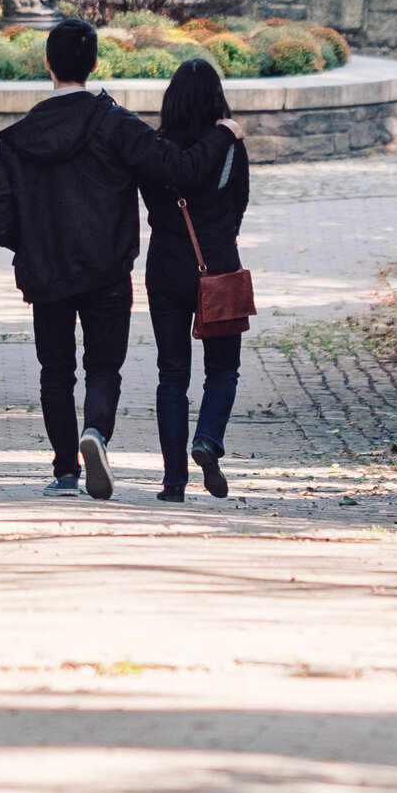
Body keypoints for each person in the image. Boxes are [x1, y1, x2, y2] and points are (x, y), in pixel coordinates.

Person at [0, 20, 243, 501]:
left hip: (47, 272)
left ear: (47, 64)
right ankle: (96, 433)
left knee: (55, 372)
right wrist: (224, 134)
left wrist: (35, 242)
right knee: (104, 367)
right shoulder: (115, 123)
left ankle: (65, 472)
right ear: (95, 64)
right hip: (106, 270)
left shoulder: (18, 138)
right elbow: (178, 169)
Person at [137, 59, 249, 501]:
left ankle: (173, 483)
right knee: (222, 368)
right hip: (218, 264)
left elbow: (149, 200)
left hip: (165, 264)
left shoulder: (155, 148)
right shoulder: (229, 145)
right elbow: (240, 202)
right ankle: (207, 439)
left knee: (172, 374)